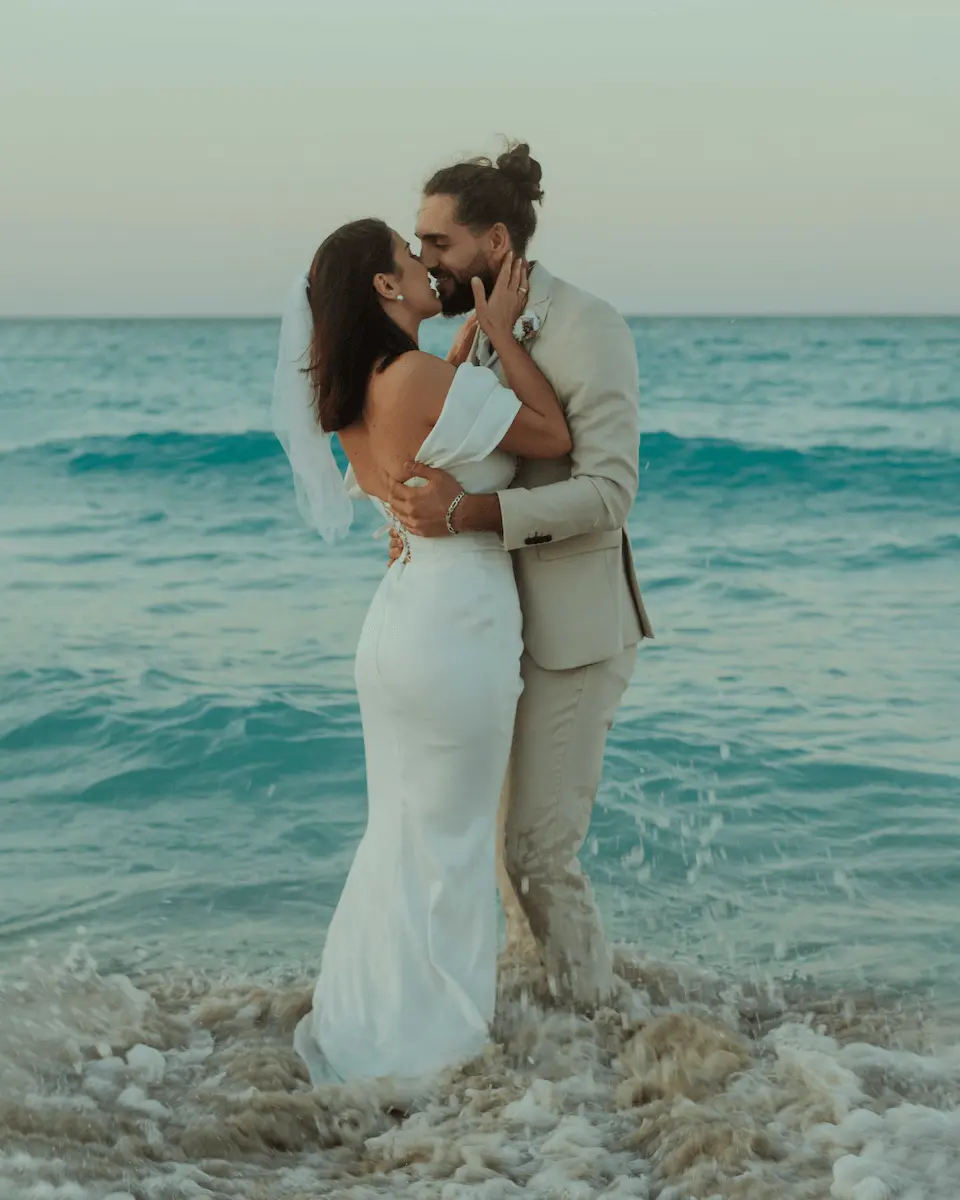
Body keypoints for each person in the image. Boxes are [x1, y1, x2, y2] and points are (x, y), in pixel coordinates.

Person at [272, 215, 571, 1083]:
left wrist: (477, 332)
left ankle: (363, 1025)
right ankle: (426, 1054)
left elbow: (436, 417)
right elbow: (550, 435)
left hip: (397, 627)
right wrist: (508, 335)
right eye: (411, 259)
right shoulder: (415, 378)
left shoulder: (362, 388)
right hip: (454, 632)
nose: (426, 268)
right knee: (447, 845)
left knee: (401, 837)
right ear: (383, 287)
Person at [384, 142, 654, 1011]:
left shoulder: (588, 325)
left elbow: (608, 492)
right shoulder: (463, 342)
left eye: (437, 243)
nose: (423, 259)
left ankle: (606, 1033)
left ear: (494, 243)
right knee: (495, 855)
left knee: (537, 853)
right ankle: (546, 1038)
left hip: (571, 635)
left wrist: (474, 517)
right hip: (485, 634)